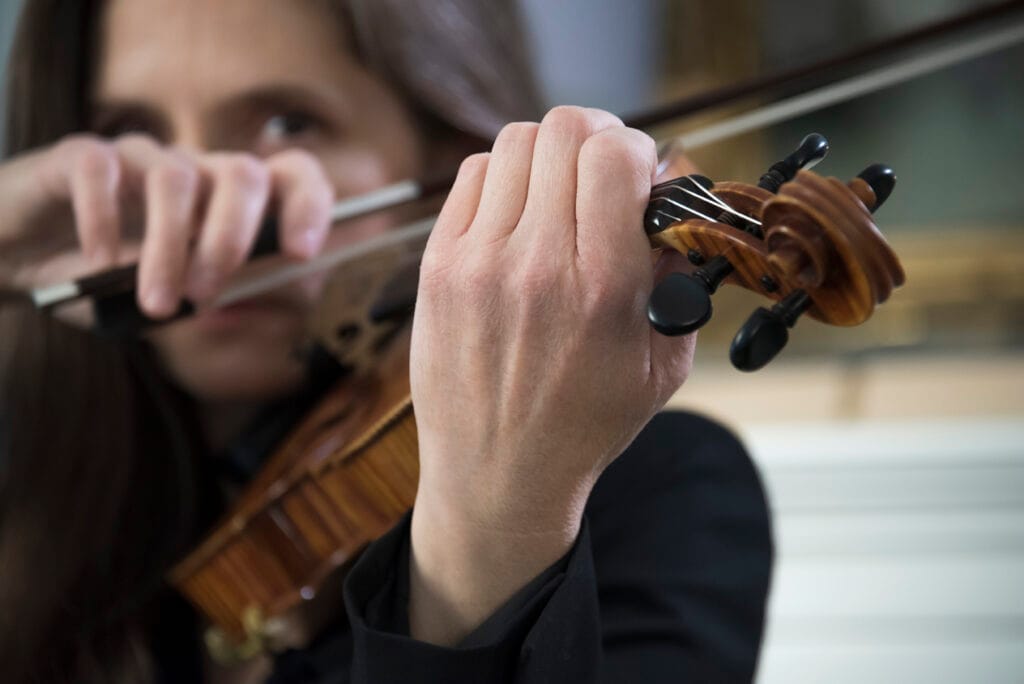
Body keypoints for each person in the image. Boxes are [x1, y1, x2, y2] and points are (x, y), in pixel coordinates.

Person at [0, 0, 773, 682]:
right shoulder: (28, 469)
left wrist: (490, 533)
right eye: (133, 131)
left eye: (286, 123)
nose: (205, 206)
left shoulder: (663, 501)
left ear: (455, 168)